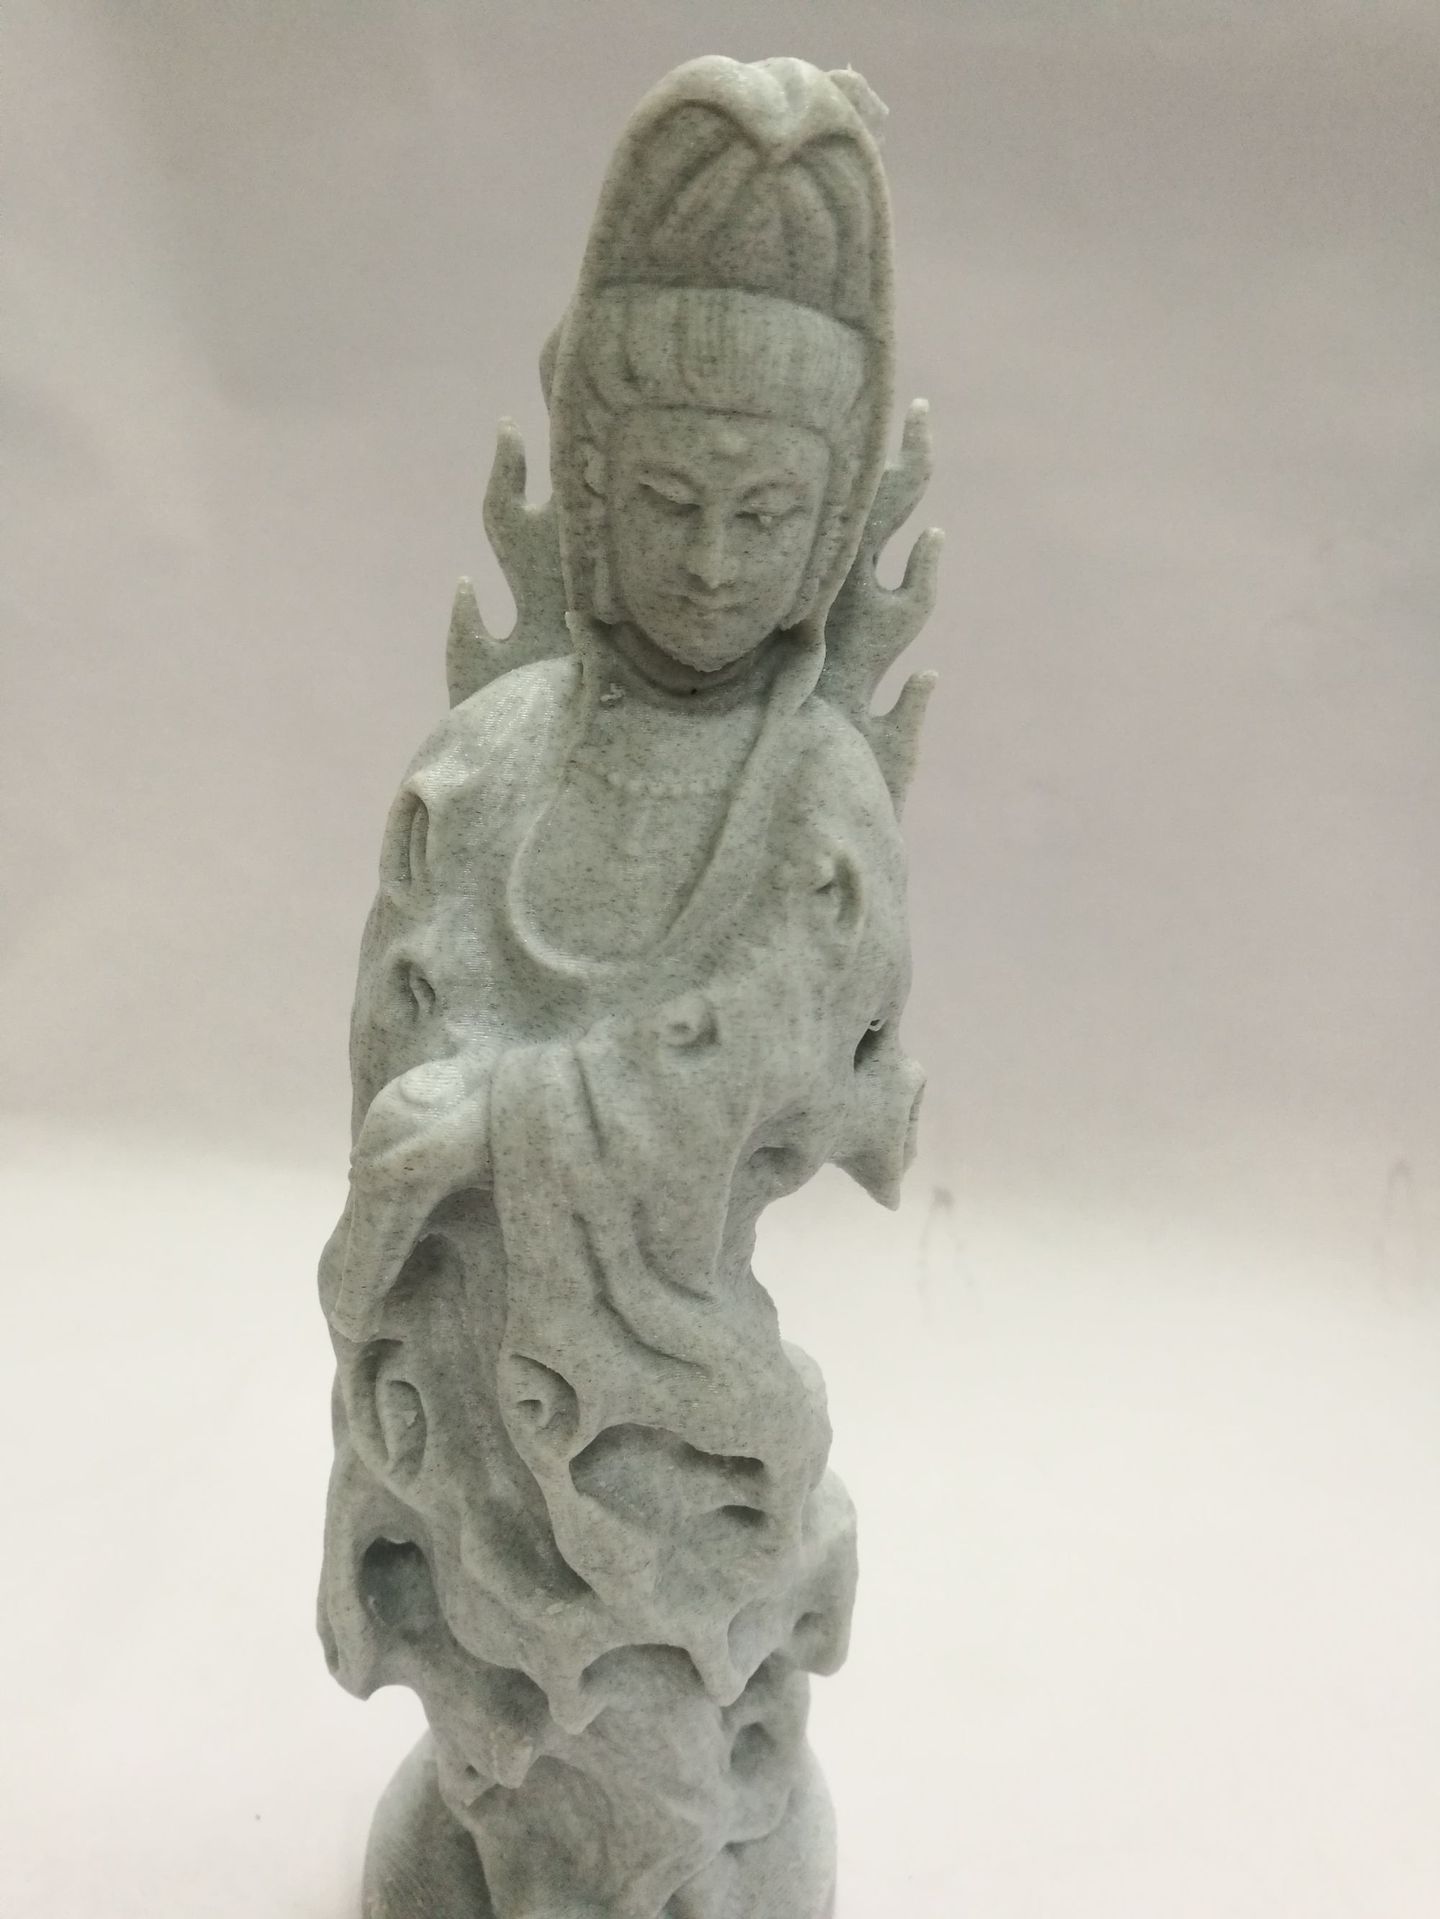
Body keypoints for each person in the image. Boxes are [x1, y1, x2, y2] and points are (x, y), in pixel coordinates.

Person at [319, 57, 933, 1919]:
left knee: (661, 1656)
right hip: (473, 1352)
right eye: (667, 500)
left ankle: (671, 1859)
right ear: (588, 485)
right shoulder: (496, 754)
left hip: (674, 1378)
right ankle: (503, 1826)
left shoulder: (811, 788)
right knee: (496, 1670)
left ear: (830, 525)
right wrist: (429, 1131)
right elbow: (402, 1008)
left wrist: (501, 1118)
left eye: (766, 515)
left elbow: (765, 1044)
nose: (711, 560)